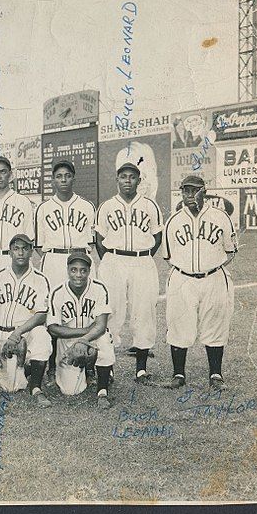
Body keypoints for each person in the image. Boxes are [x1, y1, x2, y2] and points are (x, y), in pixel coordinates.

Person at [161, 175, 238, 390]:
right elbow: (168, 256)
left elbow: (230, 251)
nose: (189, 195)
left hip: (213, 278)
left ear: (204, 191)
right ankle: (178, 374)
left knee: (215, 324)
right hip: (182, 279)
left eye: (194, 190)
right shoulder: (173, 221)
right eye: (185, 190)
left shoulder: (220, 217)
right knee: (178, 325)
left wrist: (209, 266)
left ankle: (216, 374)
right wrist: (188, 270)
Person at [95, 162, 162, 383]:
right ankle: (108, 365)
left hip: (141, 260)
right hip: (113, 259)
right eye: (123, 177)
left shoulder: (150, 206)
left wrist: (143, 255)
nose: (127, 181)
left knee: (143, 312)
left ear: (138, 181)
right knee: (111, 311)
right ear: (117, 180)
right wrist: (108, 257)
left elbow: (157, 236)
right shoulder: (106, 206)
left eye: (132, 177)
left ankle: (141, 369)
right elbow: (99, 238)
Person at [34, 159, 96, 379]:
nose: (63, 180)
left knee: (86, 309)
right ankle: (51, 365)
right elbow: (39, 245)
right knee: (53, 311)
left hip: (80, 257)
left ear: (73, 178)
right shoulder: (43, 208)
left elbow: (93, 240)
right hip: (54, 259)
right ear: (53, 180)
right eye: (59, 176)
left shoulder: (87, 206)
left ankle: (90, 361)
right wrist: (55, 258)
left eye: (67, 175)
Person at [0, 234, 53, 407]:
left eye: (25, 248)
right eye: (16, 248)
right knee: (10, 387)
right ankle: (23, 369)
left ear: (31, 252)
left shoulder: (41, 279)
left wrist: (18, 333)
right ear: (10, 252)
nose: (20, 253)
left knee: (42, 335)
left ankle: (35, 387)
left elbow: (42, 314)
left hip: (25, 333)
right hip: (1, 333)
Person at [46, 251, 115, 409]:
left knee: (104, 338)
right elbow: (53, 329)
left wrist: (84, 341)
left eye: (83, 270)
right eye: (74, 270)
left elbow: (101, 326)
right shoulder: (57, 292)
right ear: (68, 270)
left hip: (94, 338)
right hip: (68, 340)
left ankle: (102, 391)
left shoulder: (99, 288)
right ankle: (87, 369)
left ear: (89, 272)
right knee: (70, 391)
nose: (78, 275)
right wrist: (83, 334)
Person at [0, 156, 34, 281]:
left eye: (3, 172)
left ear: (10, 174)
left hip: (11, 259)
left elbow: (30, 237)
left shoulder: (23, 202)